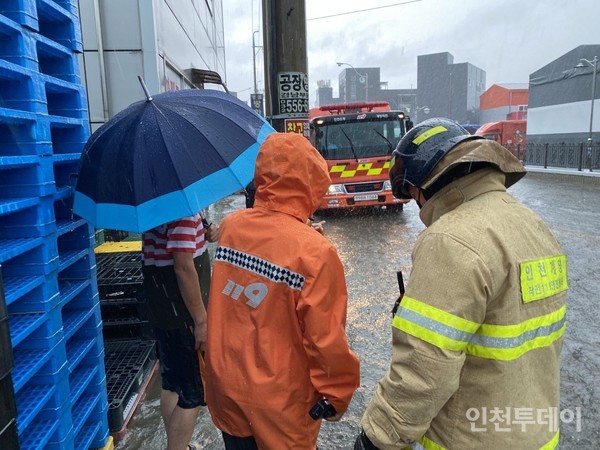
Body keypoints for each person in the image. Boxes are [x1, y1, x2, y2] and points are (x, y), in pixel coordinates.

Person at [355, 118, 568, 450]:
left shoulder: (451, 239)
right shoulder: (534, 226)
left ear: (423, 184)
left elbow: (423, 369)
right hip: (535, 435)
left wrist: (377, 438)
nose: (417, 204)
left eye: (412, 194)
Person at [205, 132, 360, 450]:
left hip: (226, 387)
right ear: (312, 181)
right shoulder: (315, 252)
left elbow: (245, 289)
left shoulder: (231, 226)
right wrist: (337, 396)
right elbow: (326, 341)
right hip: (281, 405)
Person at [141, 212, 217, 450]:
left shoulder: (154, 207)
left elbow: (171, 245)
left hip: (163, 310)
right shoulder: (181, 211)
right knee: (192, 394)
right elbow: (183, 268)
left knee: (172, 383)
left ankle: (178, 445)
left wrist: (204, 230)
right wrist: (201, 321)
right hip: (184, 314)